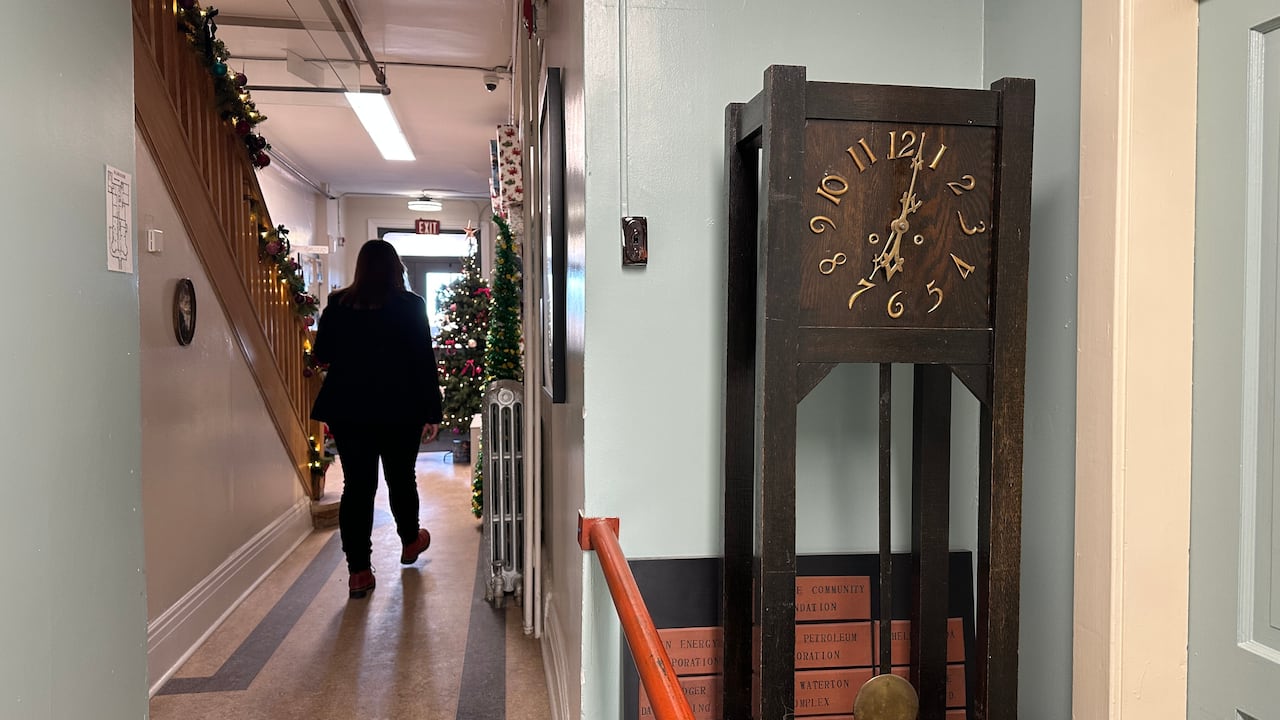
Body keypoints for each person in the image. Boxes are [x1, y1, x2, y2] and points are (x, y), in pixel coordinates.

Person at [310, 239, 443, 599]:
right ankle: (410, 540)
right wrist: (433, 411)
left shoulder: (338, 304)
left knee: (358, 486)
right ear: (395, 268)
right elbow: (423, 362)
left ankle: (358, 571)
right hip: (401, 408)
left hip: (349, 409)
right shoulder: (411, 306)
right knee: (401, 478)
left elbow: (323, 354)